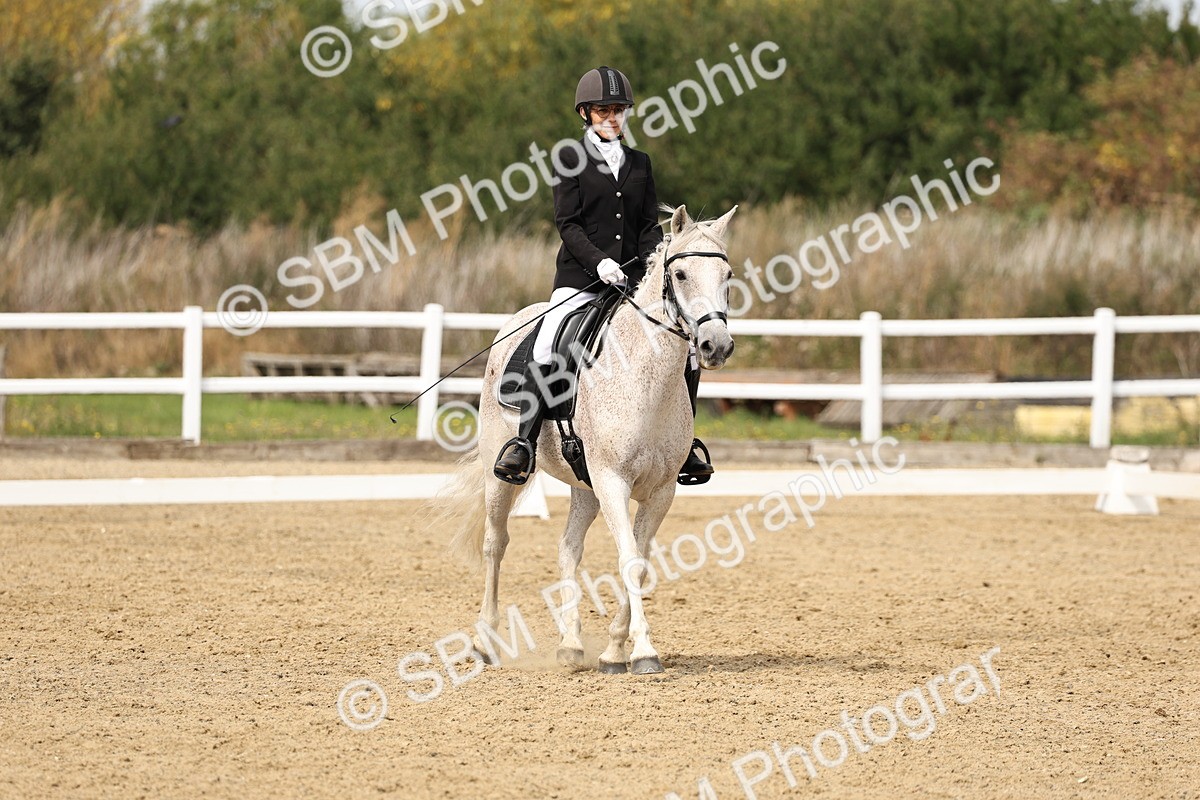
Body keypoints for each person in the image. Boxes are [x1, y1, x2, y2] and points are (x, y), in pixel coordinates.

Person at [492, 65, 714, 486]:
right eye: (602, 110)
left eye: (619, 109)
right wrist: (599, 263)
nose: (612, 117)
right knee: (549, 338)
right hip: (580, 278)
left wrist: (649, 264)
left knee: (683, 348)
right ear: (585, 114)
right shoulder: (568, 159)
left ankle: (684, 443)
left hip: (632, 282)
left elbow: (648, 224)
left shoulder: (640, 164)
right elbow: (568, 224)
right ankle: (523, 442)